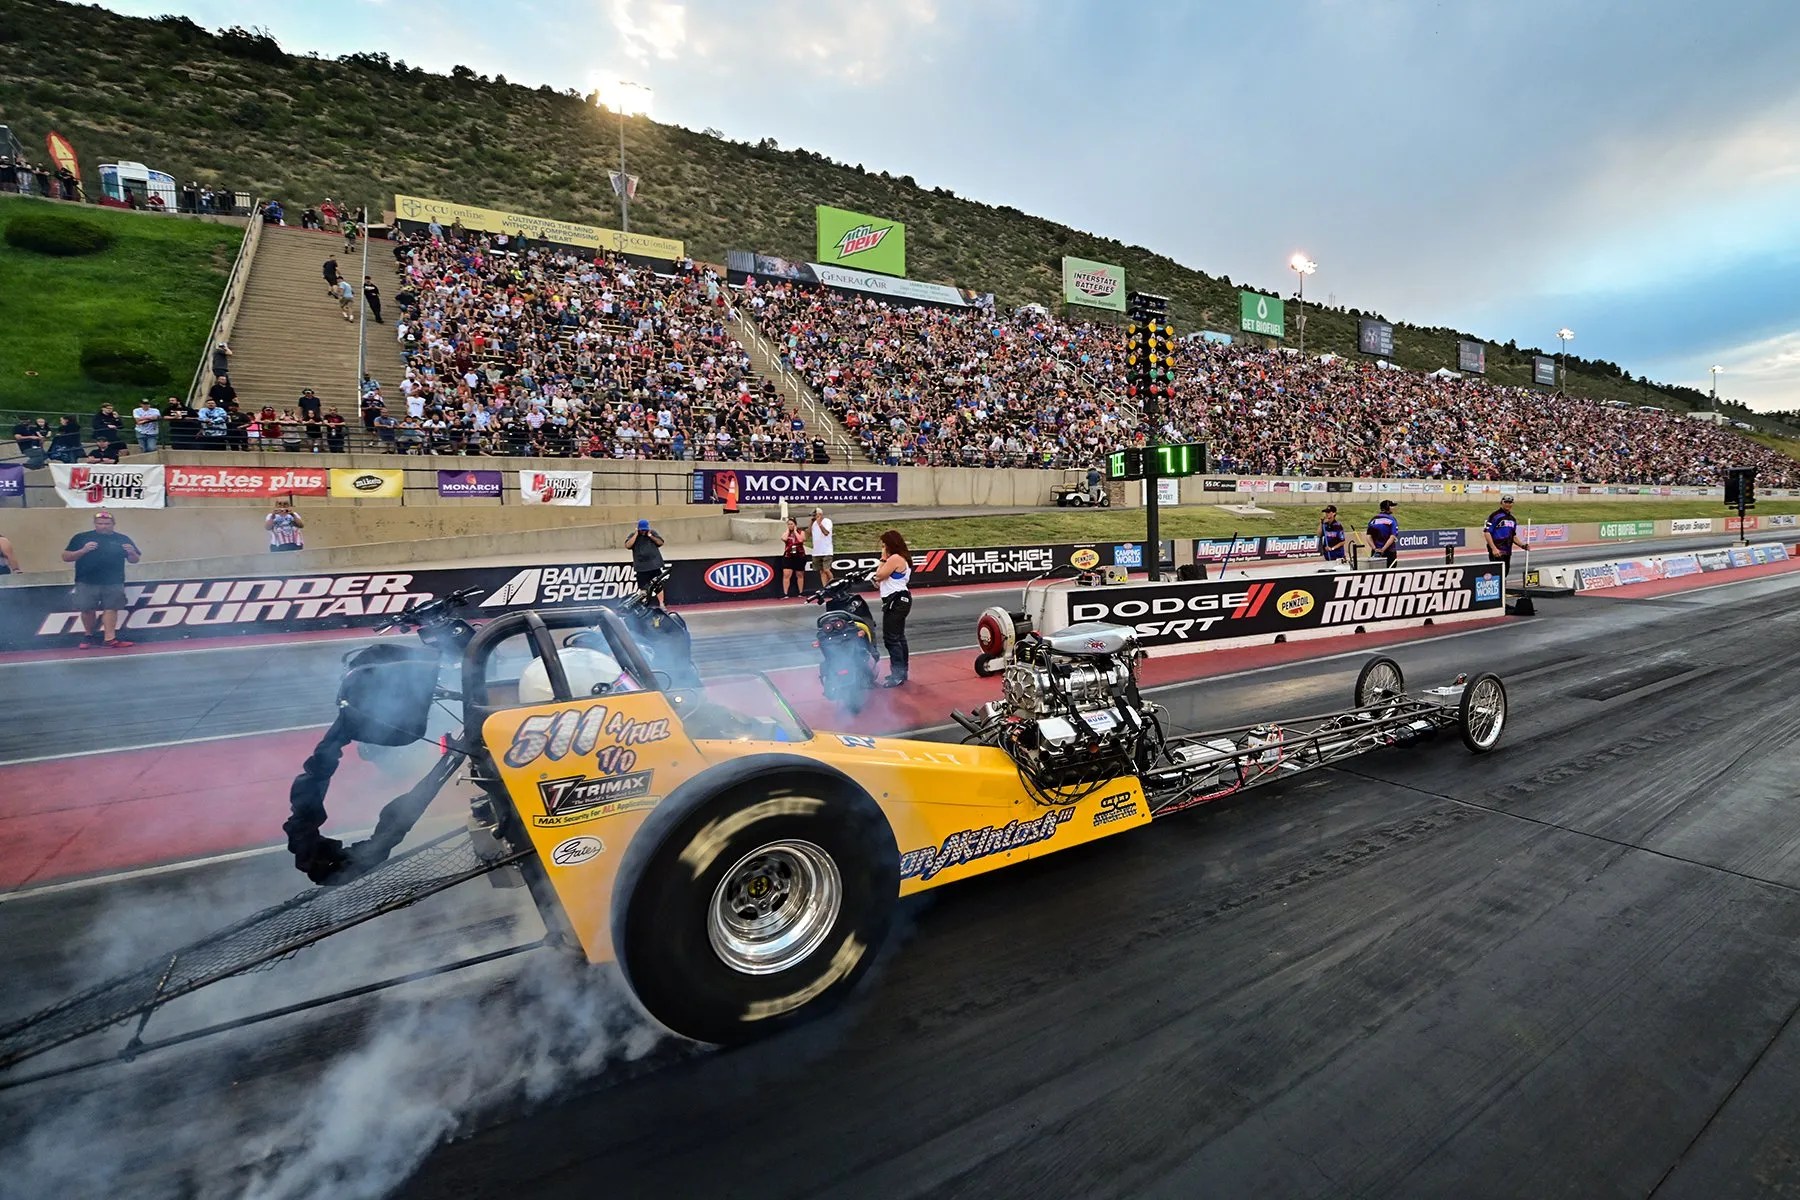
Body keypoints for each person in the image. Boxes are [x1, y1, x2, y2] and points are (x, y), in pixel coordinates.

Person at [60, 511, 140, 649]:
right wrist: (83, 551)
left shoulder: (122, 539)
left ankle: (110, 638)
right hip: (86, 580)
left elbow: (135, 560)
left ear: (113, 524)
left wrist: (131, 552)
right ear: (95, 524)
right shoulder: (82, 537)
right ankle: (89, 636)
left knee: (111, 608)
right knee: (86, 608)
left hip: (114, 580)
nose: (104, 526)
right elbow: (66, 557)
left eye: (107, 524)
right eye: (100, 524)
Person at [874, 529, 912, 687]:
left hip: (896, 601)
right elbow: (880, 581)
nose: (883, 548)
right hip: (900, 599)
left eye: (884, 545)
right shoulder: (903, 558)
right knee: (899, 637)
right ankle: (902, 671)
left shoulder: (895, 558)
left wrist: (883, 557)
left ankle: (898, 674)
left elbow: (879, 576)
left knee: (891, 638)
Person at [1484, 494, 1528, 576]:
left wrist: (1523, 546)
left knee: (1505, 573)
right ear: (1501, 503)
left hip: (1507, 551)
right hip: (1497, 550)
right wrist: (1494, 548)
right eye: (1506, 502)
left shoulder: (1512, 519)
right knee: (1496, 574)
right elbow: (1487, 532)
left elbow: (1513, 536)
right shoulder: (1495, 516)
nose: (1508, 504)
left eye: (1510, 502)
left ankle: (1503, 588)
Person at [627, 518, 666, 606]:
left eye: (645, 530)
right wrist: (636, 534)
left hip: (654, 565)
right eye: (642, 530)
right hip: (641, 567)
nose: (643, 532)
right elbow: (628, 545)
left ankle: (661, 604)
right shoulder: (633, 535)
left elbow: (660, 543)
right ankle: (644, 604)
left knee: (658, 586)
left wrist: (650, 536)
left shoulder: (652, 533)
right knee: (643, 588)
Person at [779, 516, 810, 597]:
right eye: (789, 524)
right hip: (788, 556)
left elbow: (801, 540)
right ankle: (785, 593)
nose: (790, 526)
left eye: (792, 524)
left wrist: (795, 531)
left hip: (799, 555)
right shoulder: (786, 533)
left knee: (799, 574)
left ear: (795, 524)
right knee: (786, 574)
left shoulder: (801, 532)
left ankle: (800, 593)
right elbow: (784, 538)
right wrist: (788, 531)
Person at [1366, 500, 1400, 569]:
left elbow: (1368, 536)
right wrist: (1383, 549)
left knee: (1375, 573)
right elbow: (1392, 536)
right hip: (1389, 551)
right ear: (1388, 508)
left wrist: (1375, 548)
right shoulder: (1392, 519)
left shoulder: (1373, 519)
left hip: (1375, 551)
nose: (1393, 508)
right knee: (1390, 574)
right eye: (1392, 506)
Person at [810, 507, 835, 587]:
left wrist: (820, 524)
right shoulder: (814, 523)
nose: (814, 517)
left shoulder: (827, 521)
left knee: (826, 569)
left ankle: (833, 584)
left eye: (815, 515)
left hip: (826, 550)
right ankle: (825, 587)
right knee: (821, 571)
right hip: (817, 551)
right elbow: (808, 533)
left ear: (819, 515)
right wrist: (811, 523)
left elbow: (826, 532)